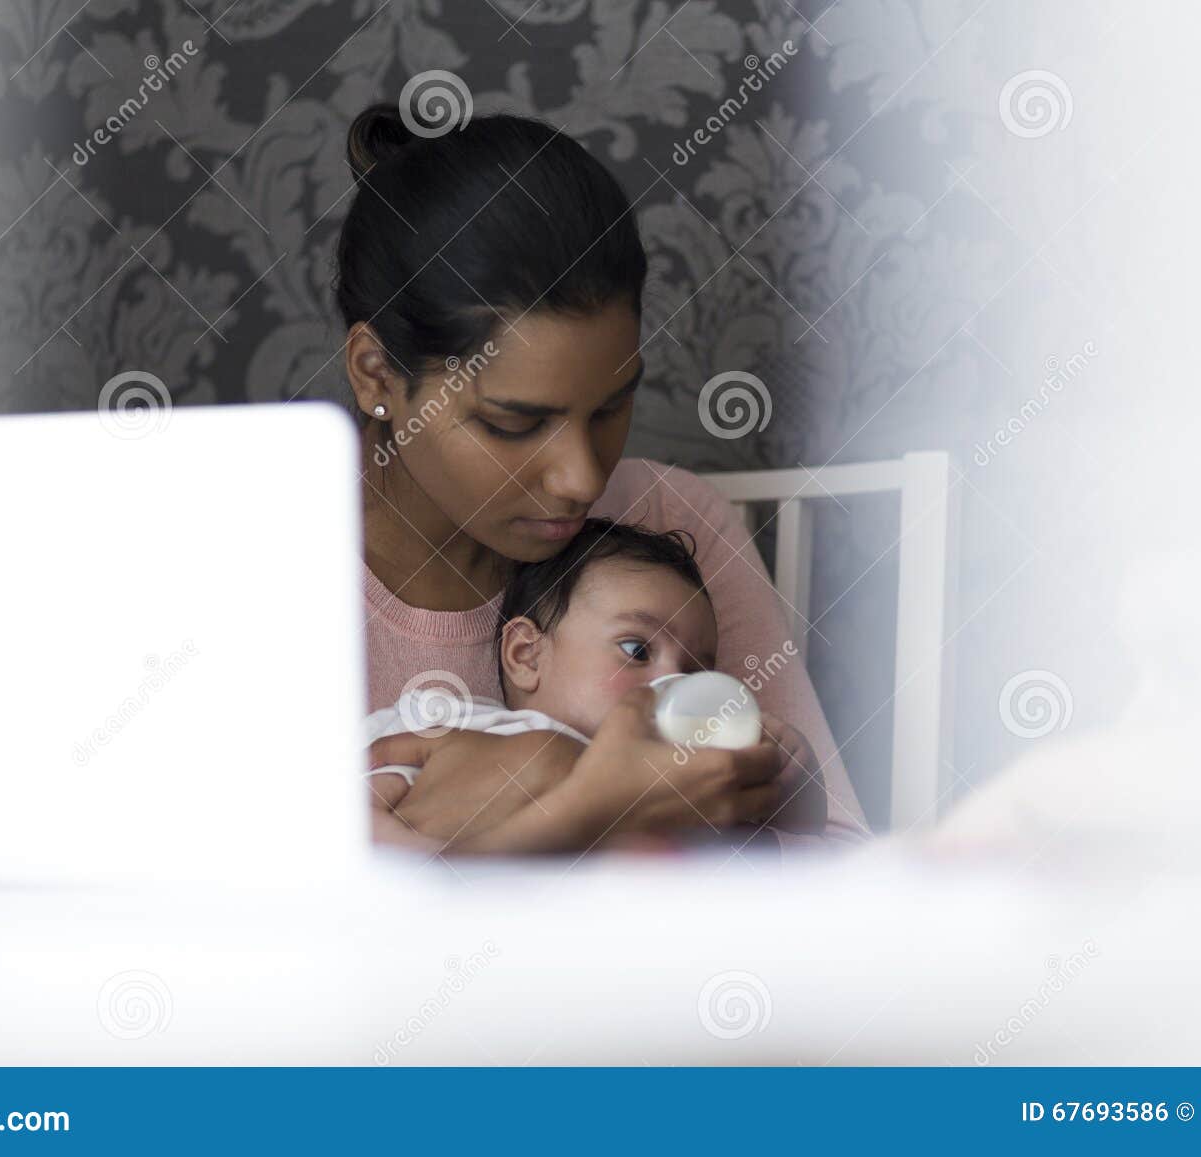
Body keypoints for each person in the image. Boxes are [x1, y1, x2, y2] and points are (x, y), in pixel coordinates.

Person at [335, 101, 868, 853]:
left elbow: (838, 862)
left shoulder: (668, 516)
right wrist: (582, 799)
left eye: (613, 406)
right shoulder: (251, 572)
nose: (581, 480)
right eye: (513, 424)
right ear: (376, 374)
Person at [364, 519, 827, 847]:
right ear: (526, 655)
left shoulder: (685, 779)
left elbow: (792, 852)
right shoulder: (460, 725)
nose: (670, 683)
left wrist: (793, 784)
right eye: (636, 650)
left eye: (694, 675)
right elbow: (342, 831)